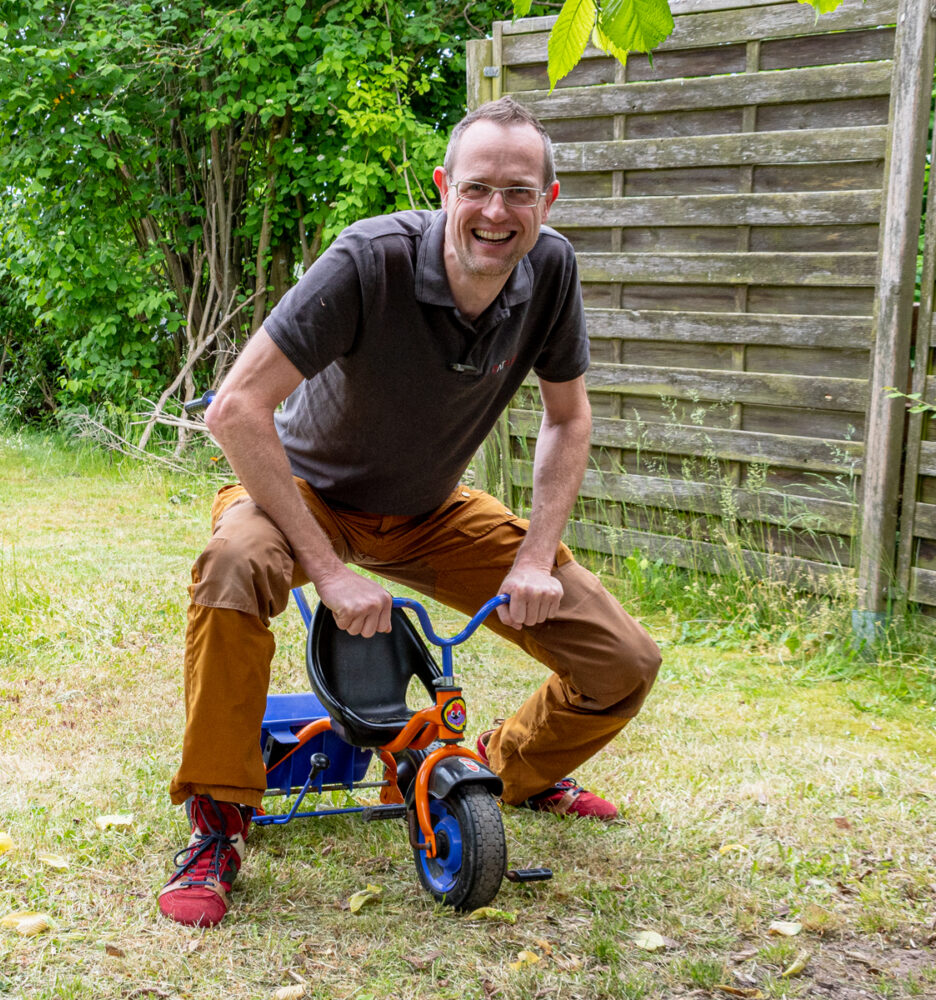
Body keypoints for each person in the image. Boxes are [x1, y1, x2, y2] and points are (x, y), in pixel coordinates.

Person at [158, 97, 662, 929]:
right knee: (235, 564)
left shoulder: (553, 271)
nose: (496, 212)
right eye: (478, 188)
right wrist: (327, 570)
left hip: (431, 511)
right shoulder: (370, 260)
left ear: (549, 199)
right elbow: (236, 409)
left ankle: (495, 775)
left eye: (519, 192)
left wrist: (536, 556)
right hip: (304, 498)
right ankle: (217, 818)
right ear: (444, 188)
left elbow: (570, 418)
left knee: (621, 659)